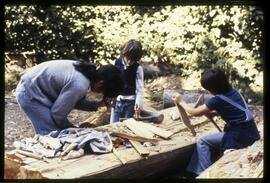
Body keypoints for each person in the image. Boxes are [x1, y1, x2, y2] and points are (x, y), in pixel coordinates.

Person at [172, 68, 260, 177]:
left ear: (212, 88)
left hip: (240, 137)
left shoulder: (217, 100)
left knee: (202, 141)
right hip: (251, 132)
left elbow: (194, 112)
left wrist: (181, 101)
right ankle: (193, 171)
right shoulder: (233, 91)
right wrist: (214, 113)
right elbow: (235, 110)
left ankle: (203, 173)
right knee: (215, 143)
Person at [15, 60, 124, 136]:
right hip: (29, 93)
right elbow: (57, 114)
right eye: (102, 91)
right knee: (52, 135)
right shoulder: (80, 84)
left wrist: (96, 105)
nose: (99, 93)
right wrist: (72, 128)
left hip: (37, 89)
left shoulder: (86, 73)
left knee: (58, 133)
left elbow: (73, 101)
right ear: (100, 83)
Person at [110, 39, 144, 123]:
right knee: (113, 125)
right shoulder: (116, 63)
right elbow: (113, 82)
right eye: (128, 58)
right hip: (117, 101)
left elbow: (140, 89)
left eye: (132, 60)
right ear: (124, 54)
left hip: (130, 103)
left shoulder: (138, 68)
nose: (129, 62)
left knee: (127, 125)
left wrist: (138, 104)